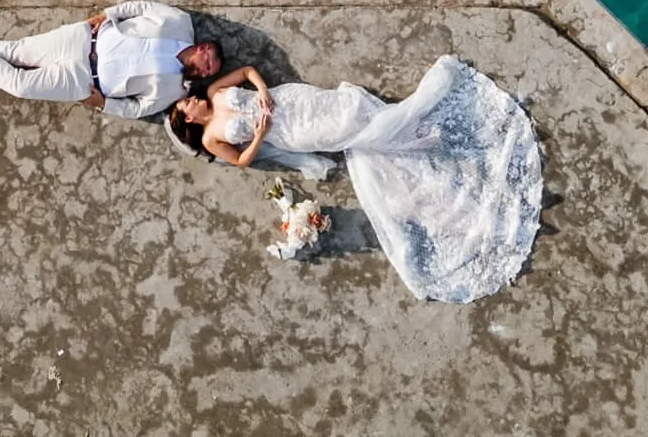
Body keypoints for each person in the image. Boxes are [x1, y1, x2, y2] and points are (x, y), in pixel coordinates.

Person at [166, 55, 544, 303]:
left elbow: (248, 71)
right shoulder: (211, 139)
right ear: (188, 118)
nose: (194, 99)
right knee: (349, 127)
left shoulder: (216, 92)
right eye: (188, 104)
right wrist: (261, 133)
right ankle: (417, 135)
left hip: (291, 100)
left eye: (189, 99)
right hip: (286, 131)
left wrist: (263, 92)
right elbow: (243, 161)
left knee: (350, 106)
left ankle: (413, 132)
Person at [0, 0, 221, 120]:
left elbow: (138, 108)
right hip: (85, 38)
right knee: (16, 51)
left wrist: (104, 104)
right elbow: (141, 6)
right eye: (208, 64)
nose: (204, 72)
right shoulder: (179, 21)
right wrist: (107, 14)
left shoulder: (176, 89)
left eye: (208, 74)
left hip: (84, 81)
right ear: (203, 48)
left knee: (21, 85)